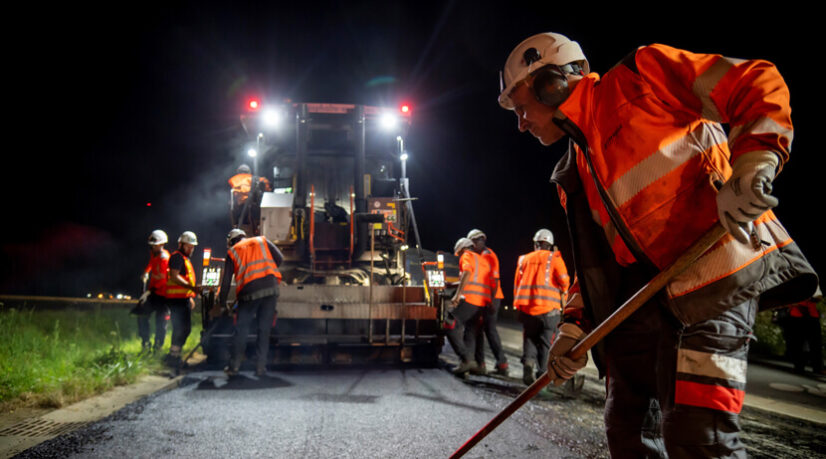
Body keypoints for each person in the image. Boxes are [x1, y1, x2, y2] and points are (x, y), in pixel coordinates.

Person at [498, 32, 817, 457]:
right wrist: (574, 326)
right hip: (644, 307)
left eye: (521, 107)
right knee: (625, 429)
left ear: (550, 84)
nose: (521, 123)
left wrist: (753, 164)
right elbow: (595, 268)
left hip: (715, 288)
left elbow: (754, 80)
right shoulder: (575, 170)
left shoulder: (640, 76)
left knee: (699, 438)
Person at [218, 228, 284, 376]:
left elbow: (226, 281)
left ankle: (234, 366)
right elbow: (280, 258)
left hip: (248, 293)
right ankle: (260, 367)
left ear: (231, 241)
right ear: (243, 236)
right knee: (264, 330)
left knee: (242, 329)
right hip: (270, 288)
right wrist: (268, 273)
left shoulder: (232, 251)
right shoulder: (262, 240)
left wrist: (222, 303)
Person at [513, 229, 569, 385]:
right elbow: (565, 282)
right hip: (549, 311)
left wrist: (518, 306)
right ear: (550, 245)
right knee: (546, 343)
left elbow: (517, 284)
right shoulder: (555, 259)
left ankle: (528, 364)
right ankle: (541, 377)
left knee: (529, 339)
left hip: (528, 310)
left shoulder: (523, 259)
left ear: (536, 244)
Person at [445, 237, 493, 376]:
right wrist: (453, 285)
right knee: (471, 332)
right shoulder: (482, 260)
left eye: (458, 254)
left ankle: (465, 359)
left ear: (462, 249)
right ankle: (471, 365)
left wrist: (457, 294)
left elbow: (467, 273)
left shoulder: (466, 256)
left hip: (470, 299)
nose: (459, 257)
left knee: (449, 323)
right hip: (482, 303)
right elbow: (475, 279)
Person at [464, 229, 509, 376]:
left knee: (489, 330)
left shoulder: (489, 256)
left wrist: (490, 301)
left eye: (474, 244)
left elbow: (494, 280)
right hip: (484, 297)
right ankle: (480, 363)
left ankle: (502, 363)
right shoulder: (478, 256)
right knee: (478, 330)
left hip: (492, 297)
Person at [165, 231, 202, 369]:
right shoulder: (177, 257)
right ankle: (173, 356)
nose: (191, 249)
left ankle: (175, 355)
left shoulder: (184, 259)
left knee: (184, 329)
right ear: (181, 244)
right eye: (188, 246)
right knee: (181, 328)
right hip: (176, 300)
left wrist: (190, 296)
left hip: (182, 298)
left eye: (192, 247)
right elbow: (175, 277)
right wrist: (192, 288)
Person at [135, 229, 171, 353]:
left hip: (164, 295)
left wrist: (148, 292)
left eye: (154, 246)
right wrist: (146, 272)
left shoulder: (164, 258)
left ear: (161, 244)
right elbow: (151, 263)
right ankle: (145, 342)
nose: (152, 248)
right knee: (142, 314)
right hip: (154, 293)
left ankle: (158, 346)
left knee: (161, 322)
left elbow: (162, 280)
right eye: (151, 246)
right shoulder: (154, 254)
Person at [777, 286, 824, 375]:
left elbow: (819, 297)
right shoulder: (796, 281)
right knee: (797, 343)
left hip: (812, 315)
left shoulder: (813, 282)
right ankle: (799, 367)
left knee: (816, 343)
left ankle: (817, 367)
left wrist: (811, 297)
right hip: (796, 315)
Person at [229, 164, 271, 232]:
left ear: (238, 172)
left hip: (239, 207)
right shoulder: (256, 179)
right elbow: (266, 186)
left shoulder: (233, 179)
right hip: (254, 206)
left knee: (241, 226)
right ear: (249, 171)